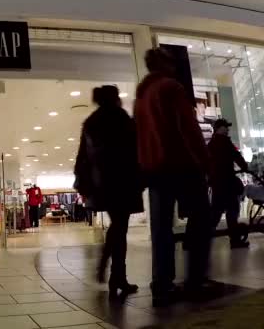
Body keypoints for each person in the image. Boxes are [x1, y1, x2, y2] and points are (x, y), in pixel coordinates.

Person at [134, 48, 212, 306]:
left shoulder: (142, 95)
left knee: (161, 229)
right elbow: (188, 130)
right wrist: (204, 161)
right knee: (201, 219)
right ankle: (195, 280)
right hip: (182, 165)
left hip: (155, 170)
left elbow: (139, 137)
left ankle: (162, 283)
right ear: (164, 64)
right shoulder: (171, 88)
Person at [74, 85, 143, 297]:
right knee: (119, 226)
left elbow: (82, 157)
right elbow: (134, 148)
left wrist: (84, 183)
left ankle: (117, 276)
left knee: (119, 226)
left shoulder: (90, 123)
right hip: (122, 180)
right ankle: (111, 268)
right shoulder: (121, 118)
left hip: (101, 184)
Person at [208, 118, 250, 249]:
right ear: (219, 128)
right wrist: (244, 166)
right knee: (232, 211)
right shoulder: (224, 142)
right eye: (226, 127)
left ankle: (203, 238)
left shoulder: (211, 143)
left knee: (215, 212)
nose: (228, 129)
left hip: (217, 182)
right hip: (227, 182)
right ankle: (235, 240)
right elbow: (236, 156)